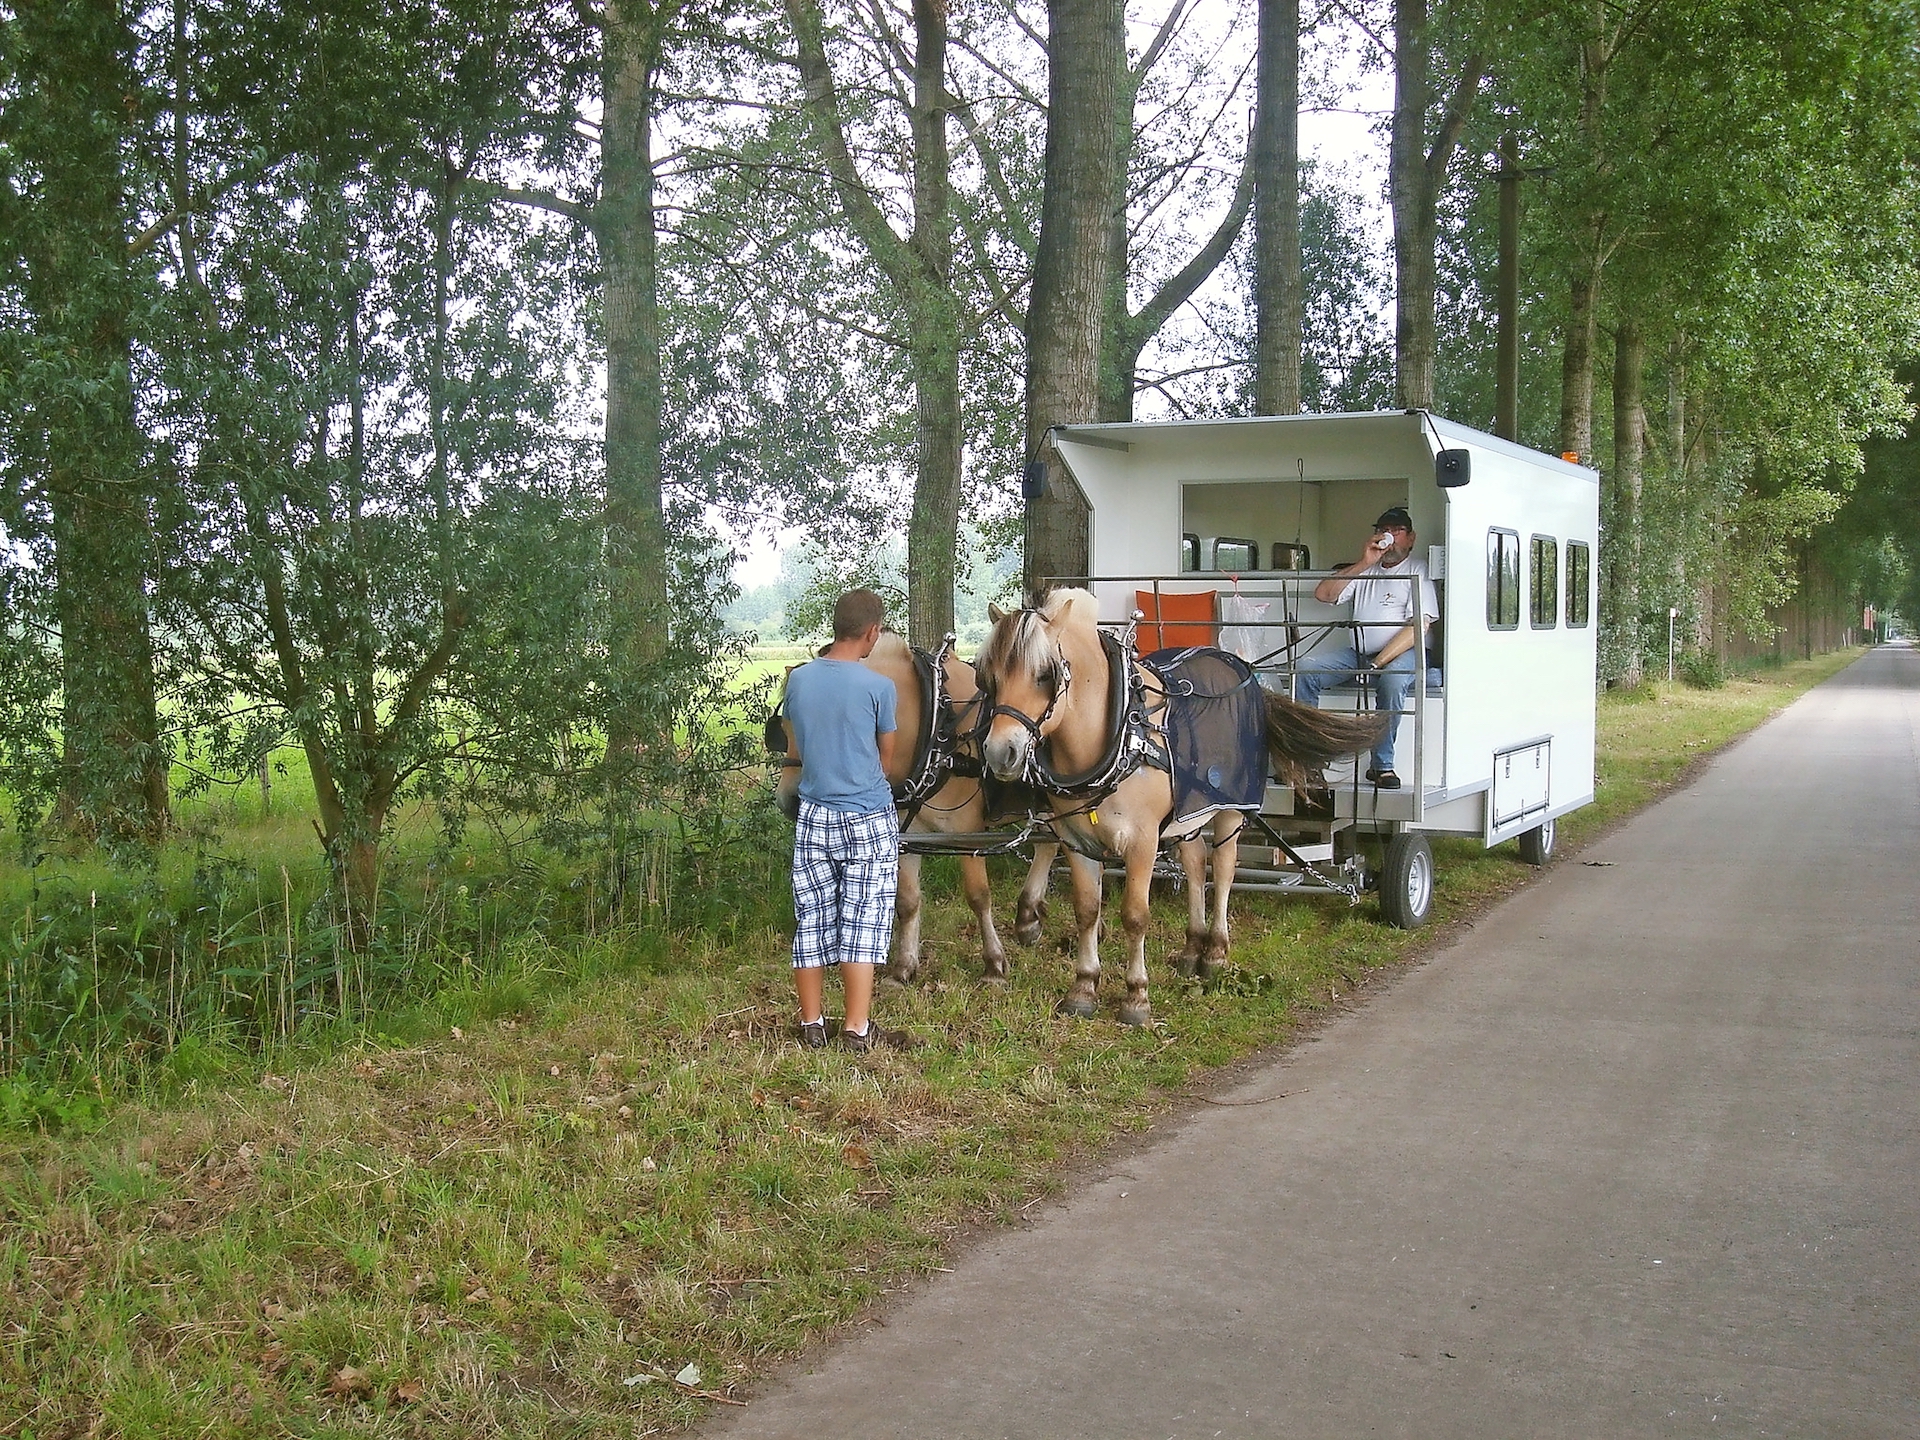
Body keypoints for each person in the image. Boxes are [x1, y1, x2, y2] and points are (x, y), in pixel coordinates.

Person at [780, 589, 911, 1052]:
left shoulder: (798, 681)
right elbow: (887, 763)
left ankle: (812, 1024)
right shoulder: (878, 687)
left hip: (815, 815)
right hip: (868, 817)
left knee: (812, 918)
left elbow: (796, 749)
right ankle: (856, 1029)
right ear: (873, 632)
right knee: (862, 920)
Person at [1294, 505, 1438, 789]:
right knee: (1305, 669)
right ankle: (1308, 760)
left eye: (1397, 531)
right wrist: (1364, 562)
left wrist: (1377, 664)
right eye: (1384, 530)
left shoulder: (1417, 568)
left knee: (1392, 679)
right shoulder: (1366, 570)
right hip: (1359, 653)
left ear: (1410, 538)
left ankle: (1382, 765)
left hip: (1403, 654)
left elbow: (1417, 628)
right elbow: (1323, 594)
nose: (1390, 536)